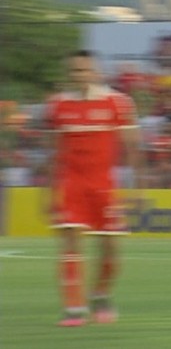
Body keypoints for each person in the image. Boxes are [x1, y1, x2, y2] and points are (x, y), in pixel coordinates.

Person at [44, 50, 143, 327]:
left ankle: (101, 294)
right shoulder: (58, 106)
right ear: (69, 74)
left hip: (104, 186)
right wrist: (48, 192)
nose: (81, 75)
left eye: (86, 70)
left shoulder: (118, 103)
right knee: (70, 243)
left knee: (110, 248)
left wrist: (138, 188)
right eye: (76, 71)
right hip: (71, 184)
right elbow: (54, 152)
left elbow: (133, 147)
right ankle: (74, 308)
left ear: (97, 72)